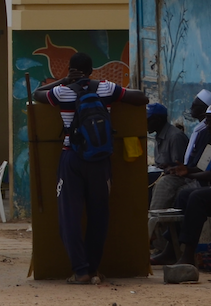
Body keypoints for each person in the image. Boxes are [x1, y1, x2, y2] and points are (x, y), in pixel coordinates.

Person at [32, 52, 146, 284]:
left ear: (70, 70)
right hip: (100, 160)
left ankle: (81, 271)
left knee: (69, 217)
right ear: (92, 70)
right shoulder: (105, 89)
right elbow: (141, 98)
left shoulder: (62, 91)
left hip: (71, 157)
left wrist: (62, 81)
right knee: (99, 216)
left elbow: (36, 95)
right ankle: (93, 269)